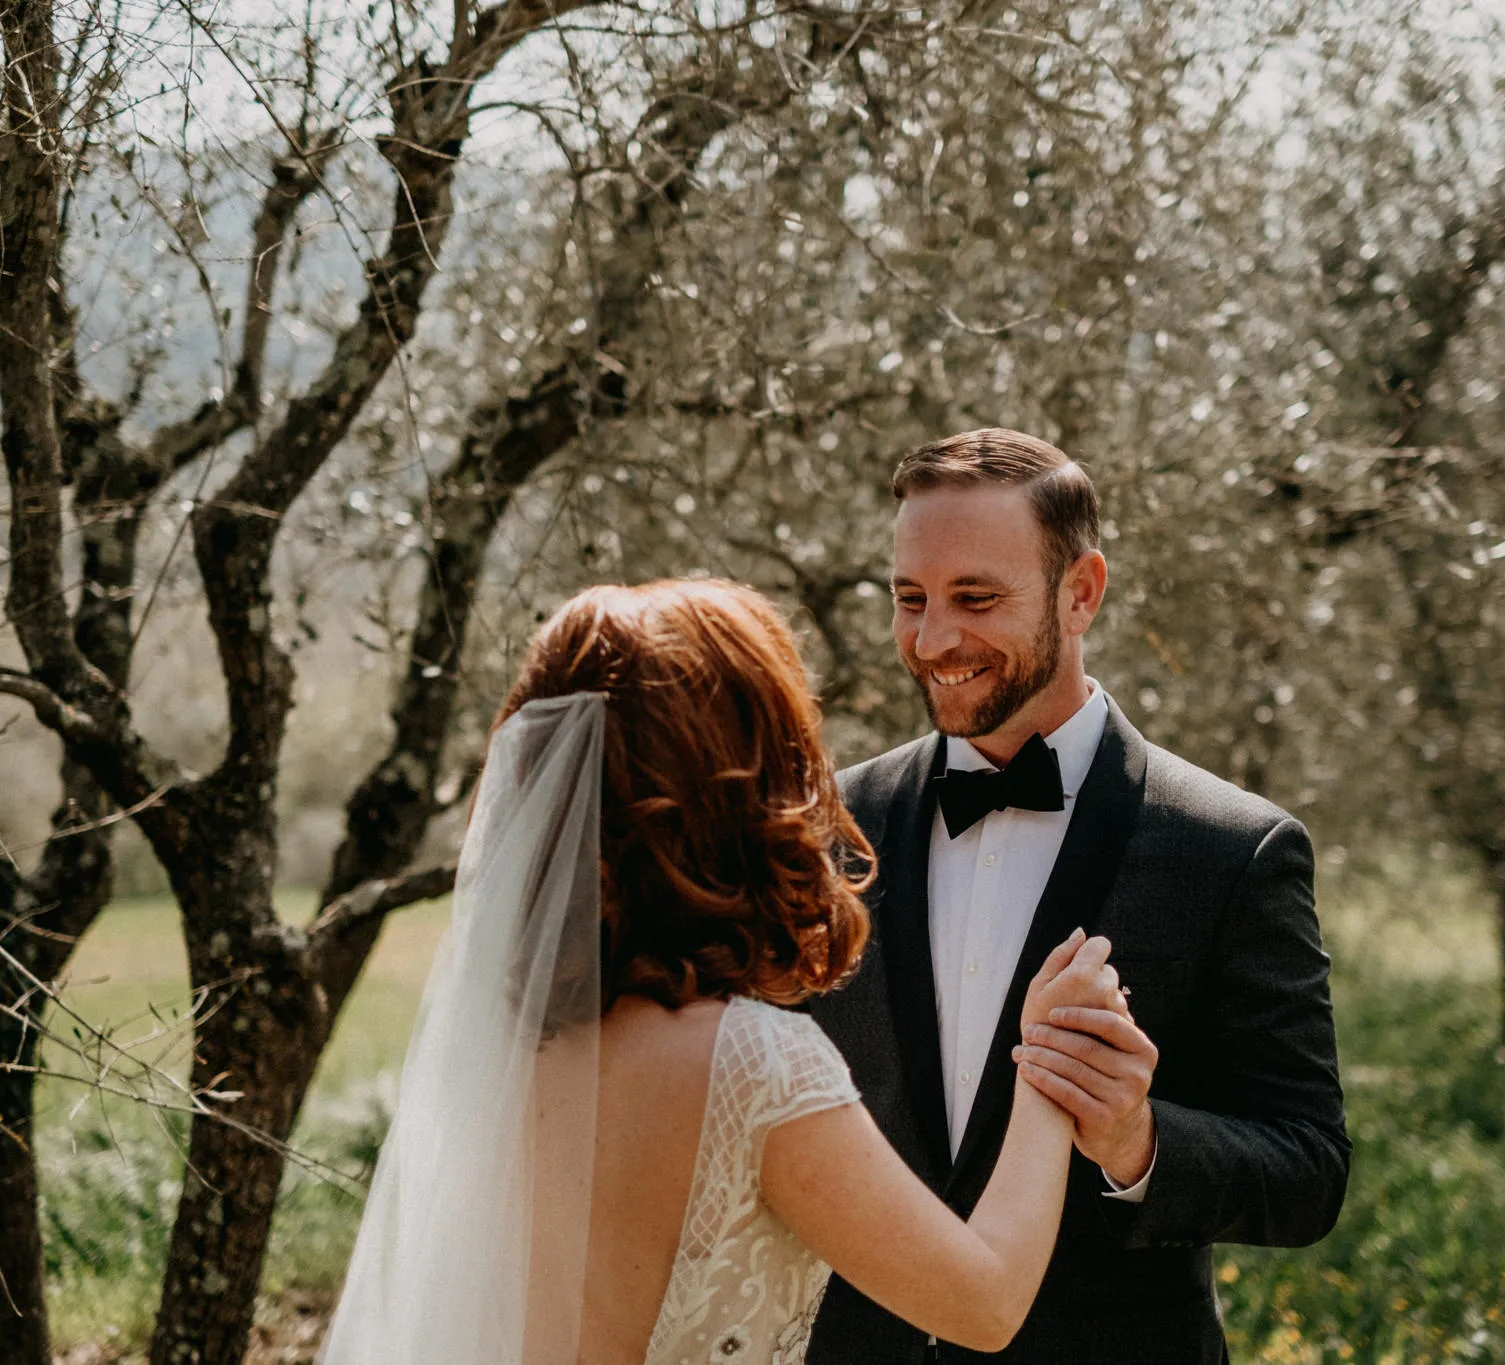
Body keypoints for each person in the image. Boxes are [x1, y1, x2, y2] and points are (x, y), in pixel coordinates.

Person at [318, 578, 1126, 1365]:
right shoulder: (751, 1066)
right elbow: (982, 1303)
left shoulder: (502, 1047)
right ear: (746, 782)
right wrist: (1052, 1058)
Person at [805, 429, 1351, 1365]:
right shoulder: (827, 827)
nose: (934, 639)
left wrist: (1137, 1139)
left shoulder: (1231, 848)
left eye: (976, 598)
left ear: (1081, 591)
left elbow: (1308, 1169)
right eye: (911, 599)